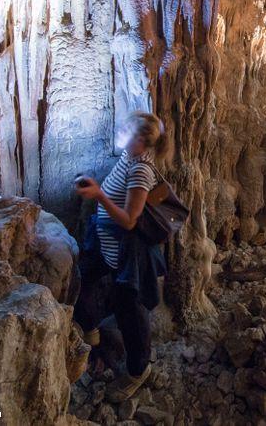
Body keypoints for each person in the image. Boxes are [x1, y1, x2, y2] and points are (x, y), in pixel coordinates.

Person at [73, 111, 167, 402]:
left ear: (142, 141)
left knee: (131, 312)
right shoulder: (129, 158)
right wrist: (97, 188)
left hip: (128, 257)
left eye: (129, 131)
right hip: (106, 246)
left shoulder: (142, 171)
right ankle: (91, 331)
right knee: (82, 275)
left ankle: (139, 371)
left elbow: (129, 220)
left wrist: (99, 196)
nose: (122, 132)